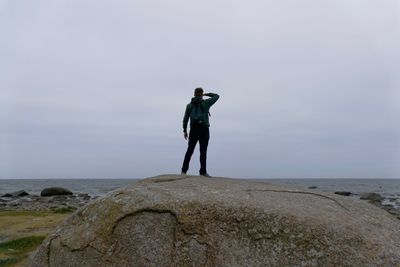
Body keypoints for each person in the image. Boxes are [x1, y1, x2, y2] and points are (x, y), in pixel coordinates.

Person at [181, 88, 219, 177]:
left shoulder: (189, 105)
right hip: (204, 129)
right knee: (203, 151)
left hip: (193, 130)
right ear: (201, 94)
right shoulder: (206, 103)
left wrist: (185, 130)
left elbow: (185, 118)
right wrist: (206, 94)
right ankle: (203, 172)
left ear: (194, 94)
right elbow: (217, 96)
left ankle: (183, 171)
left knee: (189, 151)